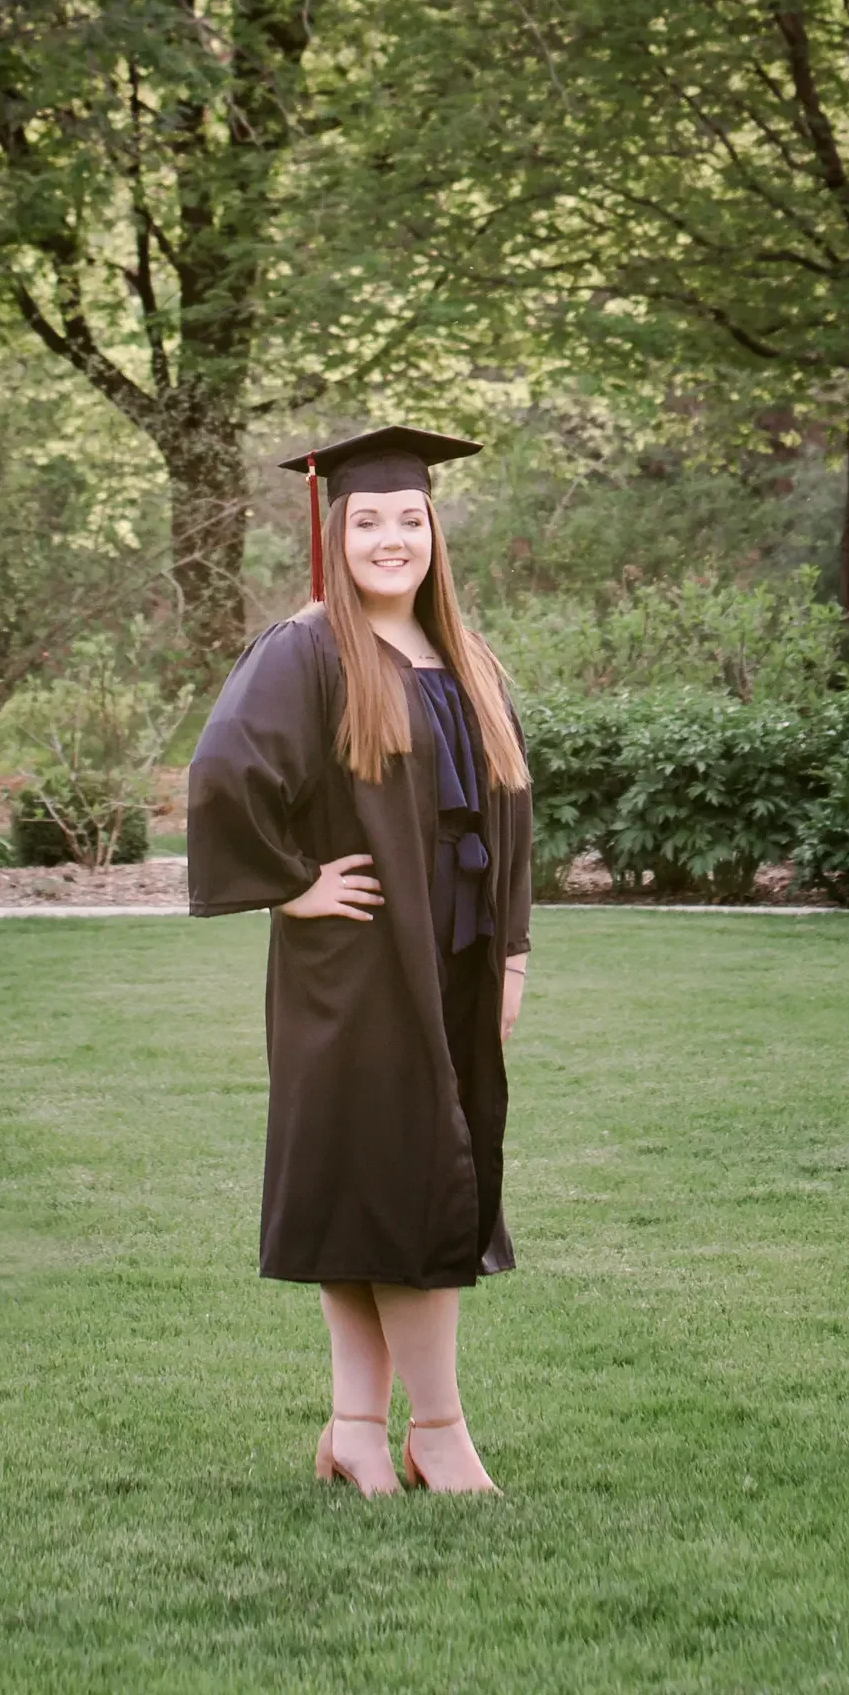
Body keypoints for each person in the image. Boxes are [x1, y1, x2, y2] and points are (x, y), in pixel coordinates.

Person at [187, 425, 532, 1496]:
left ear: (436, 532)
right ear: (333, 533)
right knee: (403, 1187)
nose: (392, 539)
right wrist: (293, 884)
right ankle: (437, 1433)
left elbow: (512, 818)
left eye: (410, 519)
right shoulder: (307, 651)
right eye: (368, 520)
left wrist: (511, 950)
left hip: (453, 966)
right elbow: (223, 775)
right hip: (357, 966)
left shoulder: (464, 659)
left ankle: (351, 1430)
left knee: (380, 1189)